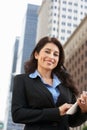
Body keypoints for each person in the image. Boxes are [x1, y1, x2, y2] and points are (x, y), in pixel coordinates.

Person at [11, 36, 87, 130]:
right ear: (36, 54)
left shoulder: (66, 85)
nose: (51, 57)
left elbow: (72, 122)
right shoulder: (22, 80)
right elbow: (17, 114)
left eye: (55, 54)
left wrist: (84, 110)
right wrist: (57, 112)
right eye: (47, 51)